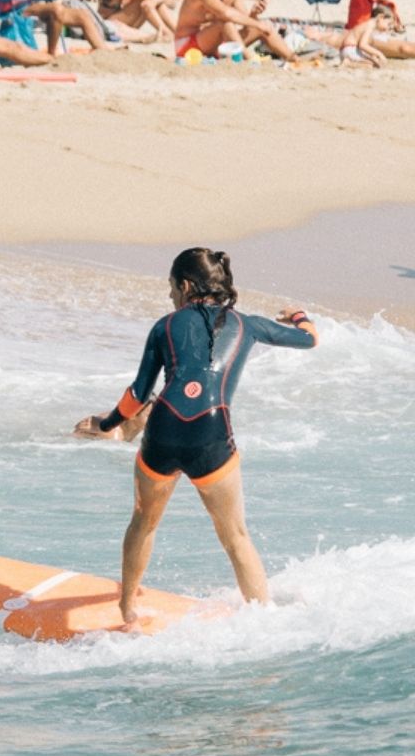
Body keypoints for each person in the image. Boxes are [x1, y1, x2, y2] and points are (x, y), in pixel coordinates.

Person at [73, 247, 319, 627]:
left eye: (172, 288)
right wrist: (300, 316)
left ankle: (127, 613)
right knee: (235, 535)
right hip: (211, 436)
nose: (170, 296)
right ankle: (265, 622)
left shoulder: (164, 326)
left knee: (143, 522)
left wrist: (107, 426)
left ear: (186, 285)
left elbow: (138, 394)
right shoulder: (248, 325)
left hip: (164, 434)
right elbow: (308, 340)